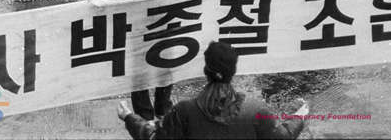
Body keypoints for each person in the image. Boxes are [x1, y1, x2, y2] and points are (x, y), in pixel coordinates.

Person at [118, 40, 308, 140]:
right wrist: (299, 117)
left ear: (206, 70)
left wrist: (129, 117)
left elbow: (154, 137)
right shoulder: (256, 110)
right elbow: (282, 136)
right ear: (233, 71)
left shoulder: (184, 111)